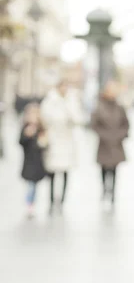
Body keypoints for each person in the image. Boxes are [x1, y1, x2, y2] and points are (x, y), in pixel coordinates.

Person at [40, 80, 82, 213]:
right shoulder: (49, 101)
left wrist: (70, 112)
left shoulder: (72, 100)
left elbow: (78, 118)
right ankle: (51, 201)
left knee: (65, 173)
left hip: (66, 141)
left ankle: (62, 201)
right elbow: (44, 117)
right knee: (52, 173)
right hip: (54, 140)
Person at [91, 81, 130, 205]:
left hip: (116, 143)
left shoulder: (119, 107)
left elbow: (126, 124)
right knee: (103, 168)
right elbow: (94, 124)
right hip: (104, 143)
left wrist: (120, 135)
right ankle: (104, 191)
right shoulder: (99, 106)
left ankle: (112, 193)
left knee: (114, 169)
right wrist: (104, 135)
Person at [19, 103, 48, 218]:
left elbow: (44, 144)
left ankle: (31, 203)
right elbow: (21, 142)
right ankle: (29, 205)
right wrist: (27, 135)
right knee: (31, 185)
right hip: (28, 162)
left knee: (34, 185)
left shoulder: (41, 128)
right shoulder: (25, 128)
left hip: (38, 162)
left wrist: (43, 141)